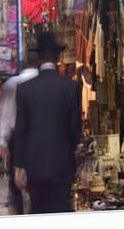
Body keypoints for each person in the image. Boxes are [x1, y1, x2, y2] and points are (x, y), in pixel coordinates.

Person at [13, 31, 81, 214]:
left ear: (39, 58)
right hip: (62, 166)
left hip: (35, 166)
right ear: (58, 57)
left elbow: (21, 130)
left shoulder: (25, 89)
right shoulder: (71, 87)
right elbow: (75, 131)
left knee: (39, 213)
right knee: (61, 213)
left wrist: (19, 165)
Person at [0, 50, 39, 214]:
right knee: (36, 176)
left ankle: (20, 214)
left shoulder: (12, 83)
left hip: (17, 138)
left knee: (16, 181)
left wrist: (2, 141)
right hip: (38, 135)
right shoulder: (42, 81)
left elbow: (6, 115)